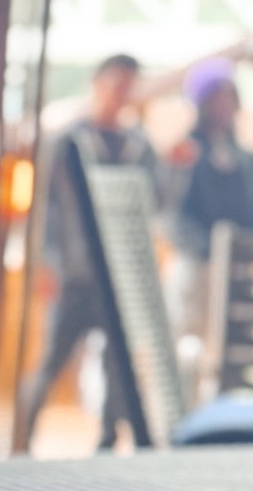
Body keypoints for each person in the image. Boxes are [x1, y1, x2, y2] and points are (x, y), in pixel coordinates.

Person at [16, 53, 159, 452]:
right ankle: (22, 439)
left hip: (119, 274)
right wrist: (49, 262)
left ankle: (109, 439)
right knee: (51, 359)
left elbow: (156, 203)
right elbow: (46, 208)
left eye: (128, 84)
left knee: (118, 364)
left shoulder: (140, 147)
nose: (120, 92)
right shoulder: (69, 142)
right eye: (115, 82)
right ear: (98, 83)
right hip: (74, 273)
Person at [164, 58, 253, 352]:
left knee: (239, 346)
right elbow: (173, 214)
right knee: (191, 346)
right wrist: (208, 252)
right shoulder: (184, 154)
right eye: (216, 98)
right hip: (198, 269)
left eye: (228, 97)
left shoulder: (249, 161)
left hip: (241, 271)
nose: (223, 106)